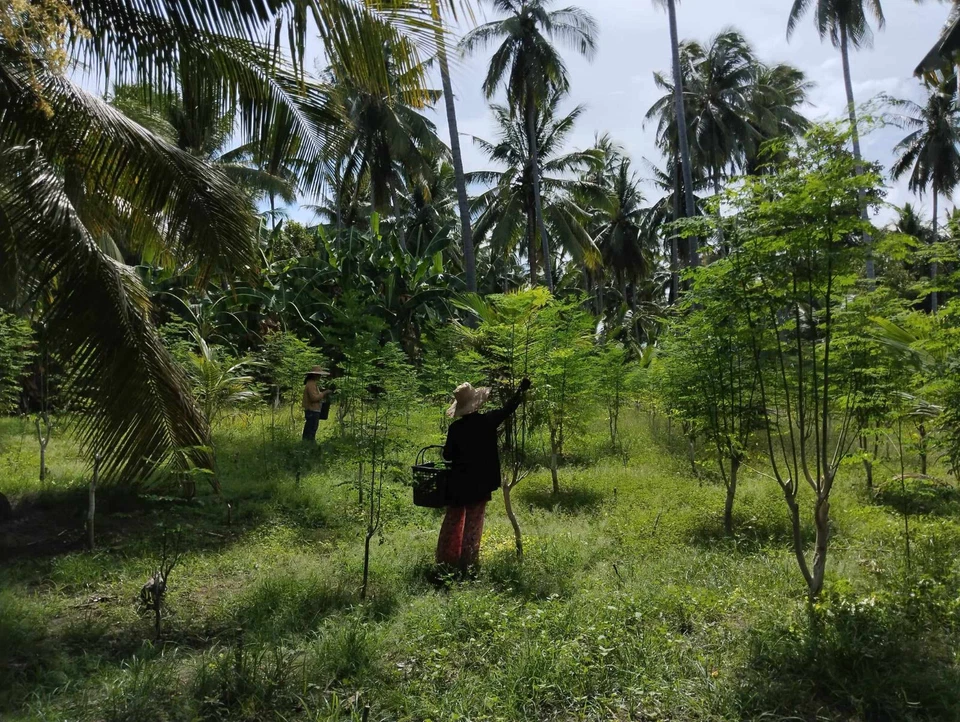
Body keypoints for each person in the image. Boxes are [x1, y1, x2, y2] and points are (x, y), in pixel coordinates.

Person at [438, 377, 532, 573]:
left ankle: (446, 561)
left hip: (458, 482)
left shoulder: (455, 429)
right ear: (476, 403)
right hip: (480, 483)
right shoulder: (487, 421)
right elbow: (508, 409)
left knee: (453, 519)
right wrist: (521, 391)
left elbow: (447, 455)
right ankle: (468, 564)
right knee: (473, 522)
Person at [302, 366, 332, 442]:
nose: (320, 376)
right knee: (311, 431)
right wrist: (324, 393)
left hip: (313, 410)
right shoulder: (311, 384)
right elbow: (314, 398)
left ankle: (307, 446)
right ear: (315, 375)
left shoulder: (312, 383)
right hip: (312, 410)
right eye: (319, 375)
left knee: (310, 430)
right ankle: (308, 446)